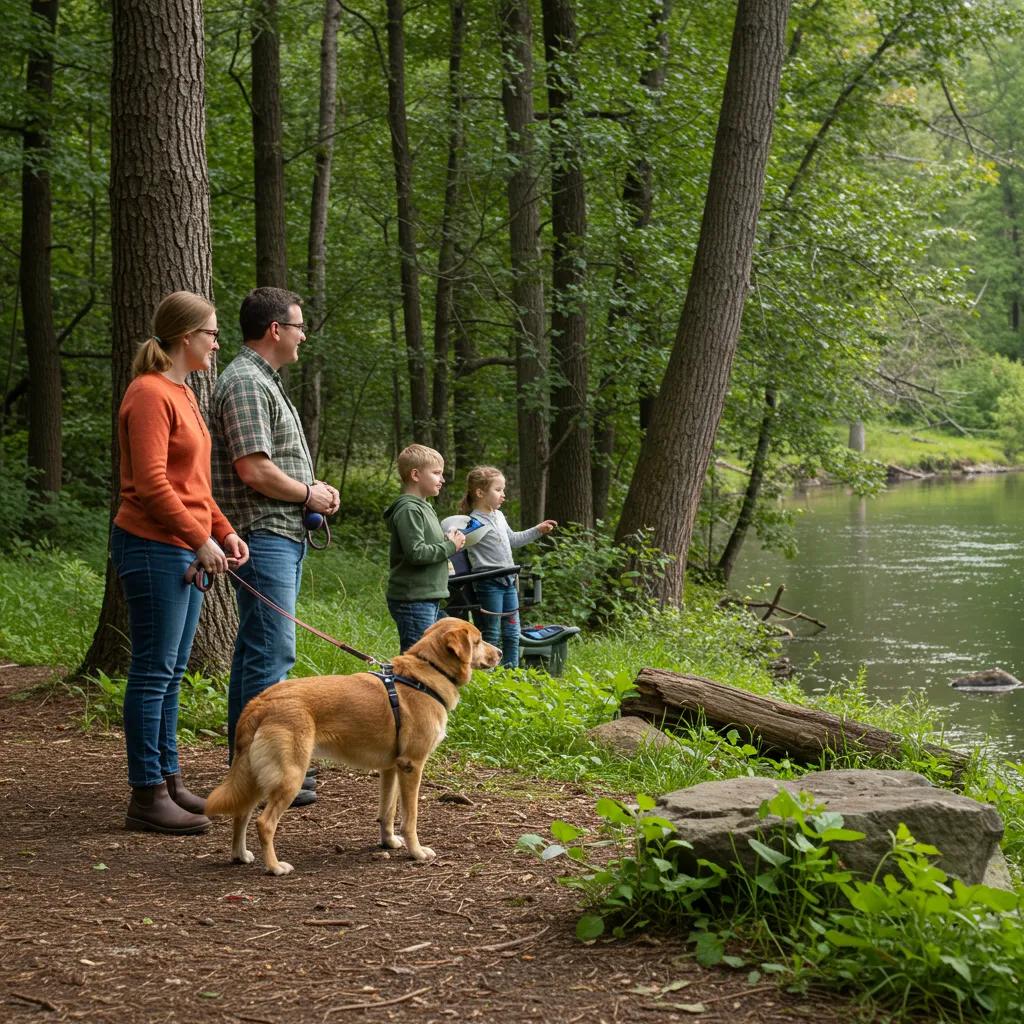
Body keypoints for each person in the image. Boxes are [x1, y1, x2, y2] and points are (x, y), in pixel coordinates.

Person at [111, 290, 250, 835]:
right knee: (152, 672)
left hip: (182, 546)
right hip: (151, 546)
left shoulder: (184, 392)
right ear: (185, 337)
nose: (217, 343)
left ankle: (168, 780)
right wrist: (198, 539)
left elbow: (192, 485)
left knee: (171, 673)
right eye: (211, 333)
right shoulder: (148, 394)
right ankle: (145, 795)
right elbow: (149, 485)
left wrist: (224, 530)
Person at [210, 287, 339, 807]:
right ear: (275, 330)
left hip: (276, 534)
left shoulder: (262, 380)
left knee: (255, 652)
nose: (304, 334)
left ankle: (248, 767)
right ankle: (268, 773)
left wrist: (312, 494)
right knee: (271, 653)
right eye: (300, 325)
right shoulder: (244, 382)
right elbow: (254, 469)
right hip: (262, 534)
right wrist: (310, 492)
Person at [459, 466, 556, 667]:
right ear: (480, 492)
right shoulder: (470, 523)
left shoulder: (499, 516)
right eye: (498, 490)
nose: (503, 495)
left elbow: (513, 540)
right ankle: (489, 676)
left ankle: (513, 673)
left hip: (509, 581)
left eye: (503, 490)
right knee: (492, 632)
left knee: (513, 631)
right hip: (488, 583)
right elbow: (456, 541)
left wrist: (538, 530)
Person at [383, 444, 465, 653]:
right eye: (437, 473)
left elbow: (426, 544)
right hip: (414, 599)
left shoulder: (424, 506)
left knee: (431, 656)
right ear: (415, 475)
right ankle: (404, 687)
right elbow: (416, 553)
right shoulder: (409, 509)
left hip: (427, 597)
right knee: (416, 662)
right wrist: (449, 546)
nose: (442, 479)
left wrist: (447, 540)